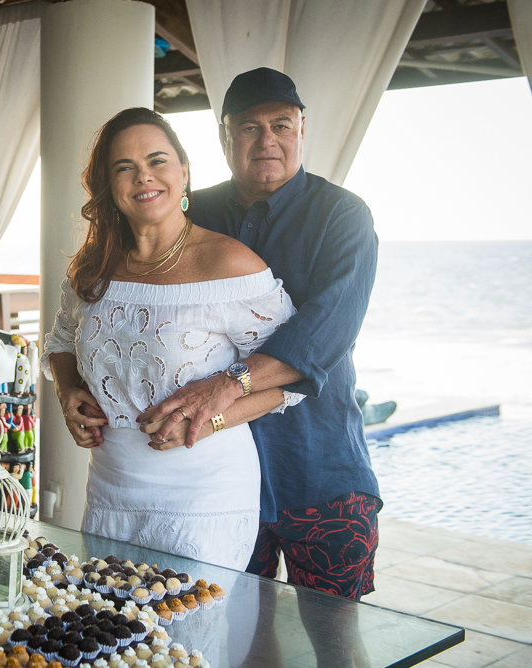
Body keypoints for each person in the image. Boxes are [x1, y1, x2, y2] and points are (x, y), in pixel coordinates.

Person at [142, 68, 382, 600]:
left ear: (301, 128)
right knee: (235, 635)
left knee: (337, 638)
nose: (267, 139)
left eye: (281, 124)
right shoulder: (186, 213)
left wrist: (226, 385)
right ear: (225, 134)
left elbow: (324, 334)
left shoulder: (342, 216)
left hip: (319, 468)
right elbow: (141, 302)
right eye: (250, 127)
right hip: (214, 471)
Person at [42, 107, 304, 569]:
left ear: (183, 171)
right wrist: (67, 393)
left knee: (190, 634)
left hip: (203, 493)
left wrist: (208, 421)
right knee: (111, 629)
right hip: (109, 490)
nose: (143, 176)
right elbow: (61, 342)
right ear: (109, 185)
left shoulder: (231, 265)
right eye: (125, 167)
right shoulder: (92, 266)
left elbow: (291, 375)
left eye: (157, 160)